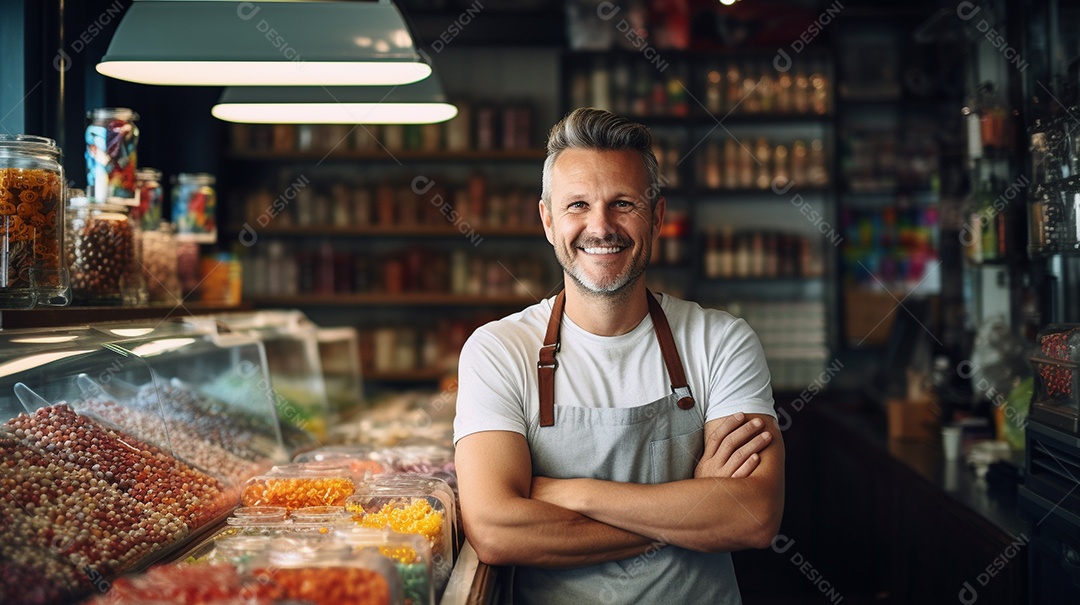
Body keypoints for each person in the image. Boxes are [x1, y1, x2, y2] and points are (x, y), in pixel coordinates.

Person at [453, 107, 784, 604]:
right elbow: (496, 531)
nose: (601, 226)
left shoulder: (722, 341)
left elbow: (753, 516)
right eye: (578, 205)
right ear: (548, 221)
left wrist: (572, 492)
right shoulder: (498, 351)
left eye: (623, 203)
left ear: (657, 216)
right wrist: (690, 512)